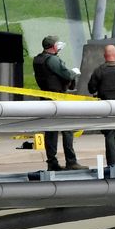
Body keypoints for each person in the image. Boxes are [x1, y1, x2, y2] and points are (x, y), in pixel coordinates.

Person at [32, 35, 88, 171]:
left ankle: (52, 163)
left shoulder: (38, 59)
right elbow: (67, 75)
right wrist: (74, 73)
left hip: (45, 97)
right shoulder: (52, 60)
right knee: (67, 129)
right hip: (58, 98)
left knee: (50, 131)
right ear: (53, 46)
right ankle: (71, 161)